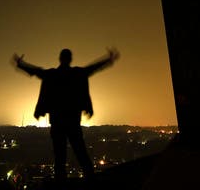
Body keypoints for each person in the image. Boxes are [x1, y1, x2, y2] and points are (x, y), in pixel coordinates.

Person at [12, 47, 120, 182]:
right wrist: (109, 60)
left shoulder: (52, 75)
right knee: (80, 152)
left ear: (60, 59)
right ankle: (91, 180)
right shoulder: (77, 74)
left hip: (57, 122)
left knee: (59, 156)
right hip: (73, 120)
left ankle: (60, 182)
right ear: (70, 59)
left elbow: (35, 71)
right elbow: (94, 67)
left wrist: (21, 64)